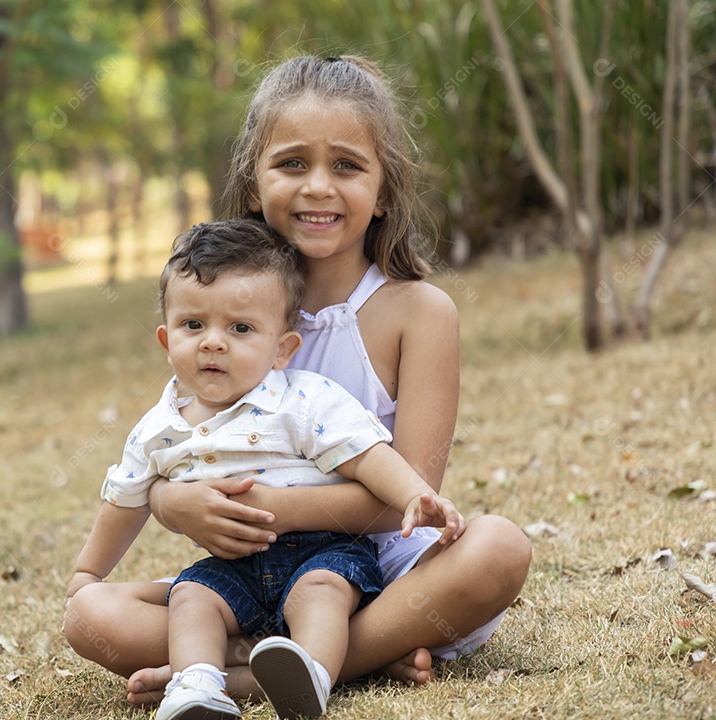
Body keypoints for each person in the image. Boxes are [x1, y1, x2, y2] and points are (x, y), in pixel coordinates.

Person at [63, 54, 532, 704]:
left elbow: (407, 499)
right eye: (291, 164)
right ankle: (340, 656)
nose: (317, 187)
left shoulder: (420, 313)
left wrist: (266, 511)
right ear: (254, 184)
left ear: (384, 189)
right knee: (90, 617)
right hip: (246, 571)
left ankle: (256, 671)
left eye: (346, 165)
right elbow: (179, 445)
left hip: (376, 566)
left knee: (500, 550)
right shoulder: (224, 310)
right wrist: (171, 504)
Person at [68, 219, 466, 720]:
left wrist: (413, 494)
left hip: (323, 551)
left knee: (320, 593)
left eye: (240, 329)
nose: (213, 343)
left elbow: (365, 455)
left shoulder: (301, 399)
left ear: (282, 348)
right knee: (191, 597)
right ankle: (197, 684)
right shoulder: (158, 428)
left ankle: (313, 675)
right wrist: (87, 573)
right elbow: (123, 500)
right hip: (232, 566)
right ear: (167, 341)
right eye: (194, 326)